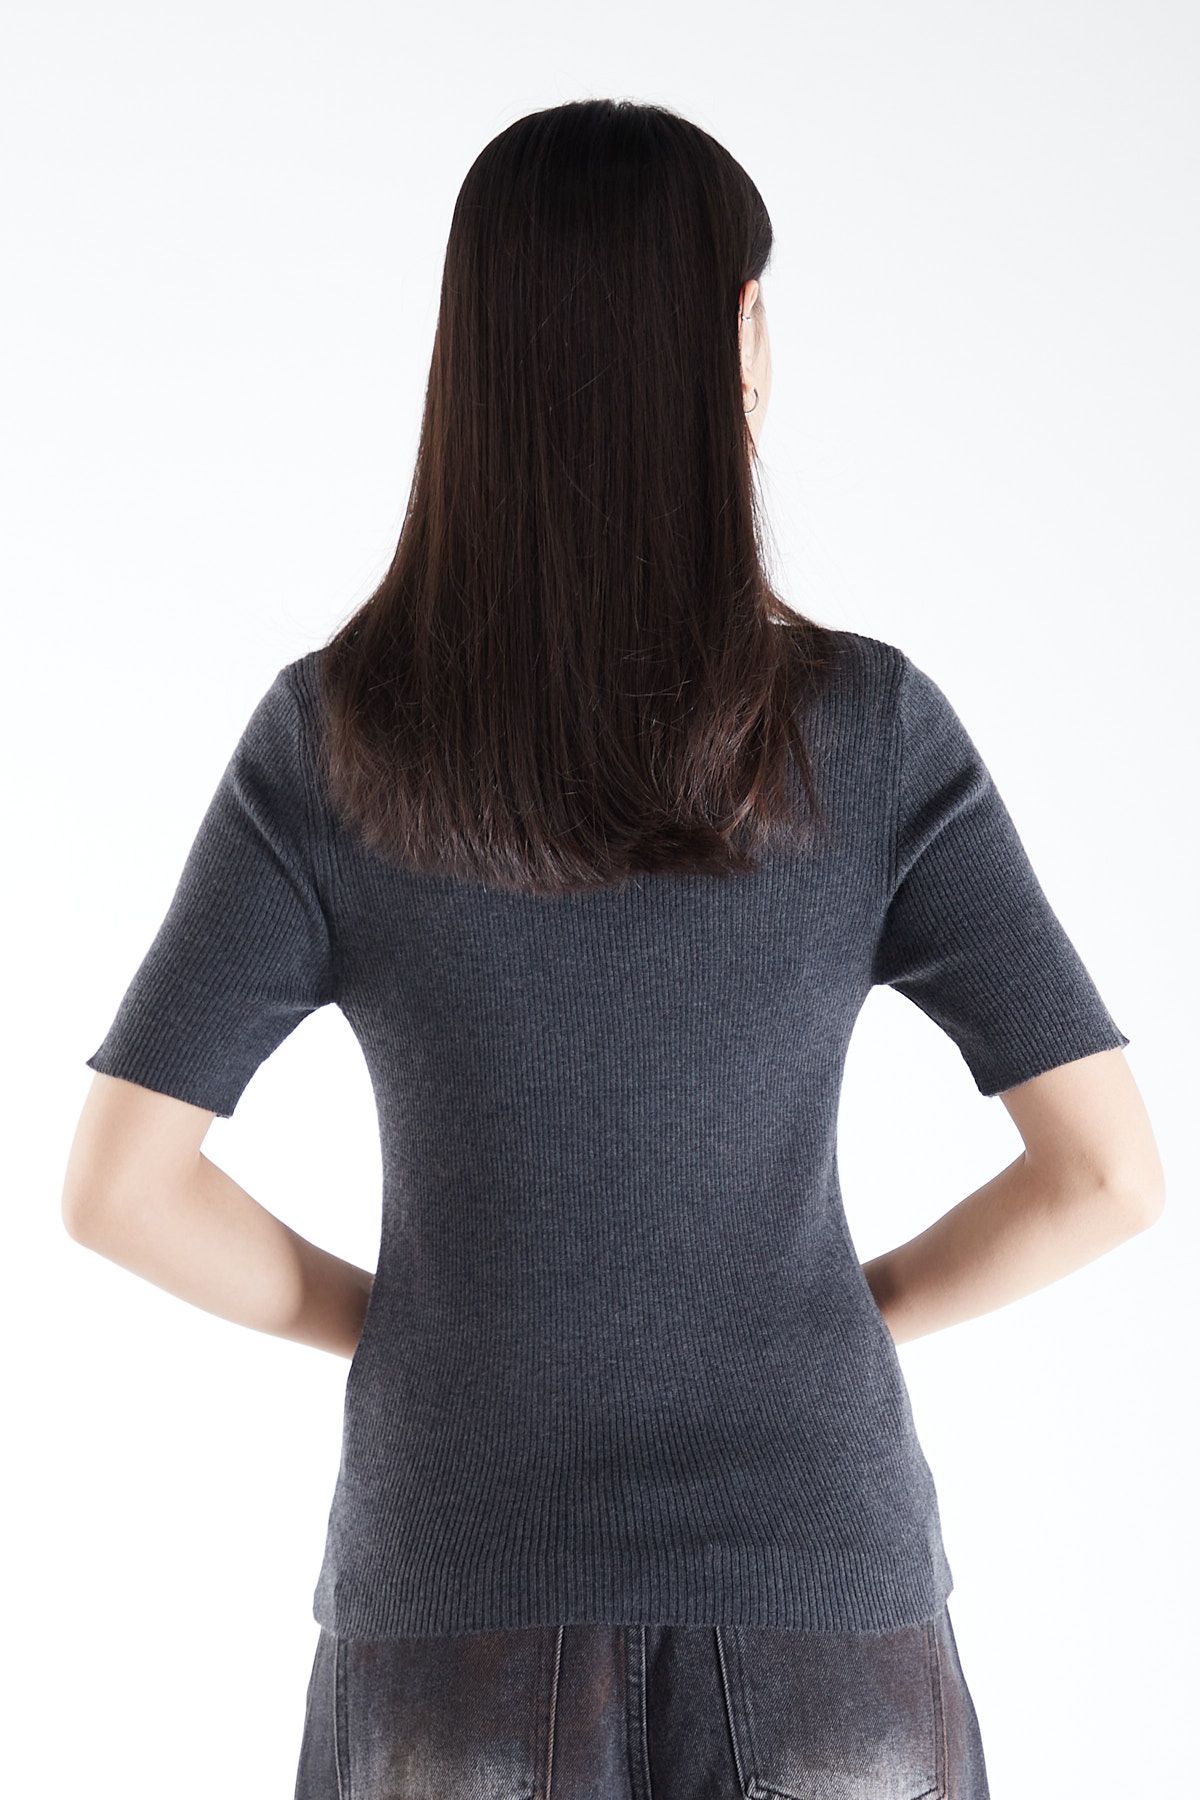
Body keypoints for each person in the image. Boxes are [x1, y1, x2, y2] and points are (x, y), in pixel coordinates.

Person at [63, 99, 1163, 1800]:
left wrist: (416, 1331)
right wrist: (828, 1320)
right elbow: (1106, 1175)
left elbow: (122, 1189)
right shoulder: (866, 731)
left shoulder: (335, 737)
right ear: (741, 337)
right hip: (822, 1601)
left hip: (454, 1598)